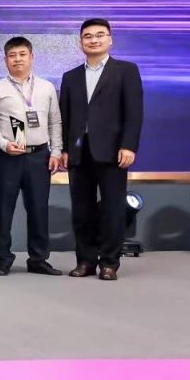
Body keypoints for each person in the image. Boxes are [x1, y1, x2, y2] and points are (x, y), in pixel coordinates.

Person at [59, 18, 144, 281]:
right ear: (80, 42)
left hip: (112, 151)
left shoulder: (126, 70)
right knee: (82, 211)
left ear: (110, 39)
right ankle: (85, 261)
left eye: (99, 35)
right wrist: (64, 149)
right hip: (79, 153)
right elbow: (65, 116)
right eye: (88, 36)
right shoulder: (71, 76)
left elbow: (134, 112)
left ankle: (109, 262)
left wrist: (128, 145)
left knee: (112, 209)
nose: (94, 40)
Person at [0, 36, 64, 277]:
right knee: (2, 209)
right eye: (12, 55)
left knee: (39, 209)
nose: (17, 59)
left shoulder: (46, 87)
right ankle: (2, 259)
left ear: (31, 57)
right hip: (7, 157)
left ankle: (38, 259)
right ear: (5, 60)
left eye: (22, 54)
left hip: (39, 156)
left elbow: (55, 121)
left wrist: (56, 151)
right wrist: (3, 144)